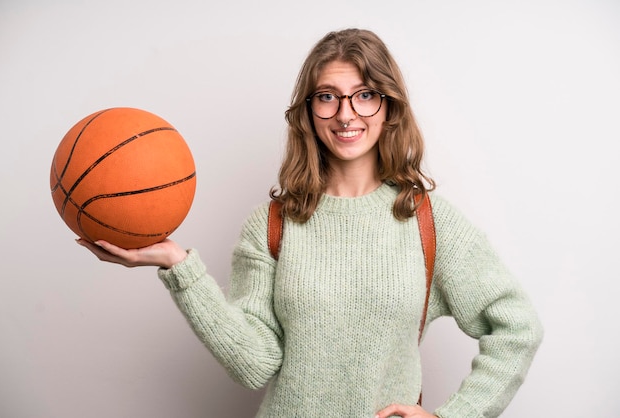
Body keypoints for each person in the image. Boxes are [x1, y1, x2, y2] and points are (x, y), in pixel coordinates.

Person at [78, 28, 543, 418]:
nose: (346, 114)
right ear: (307, 111)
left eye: (365, 96)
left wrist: (452, 417)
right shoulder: (271, 225)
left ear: (389, 107)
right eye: (327, 97)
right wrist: (178, 265)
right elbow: (254, 366)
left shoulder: (429, 222)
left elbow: (517, 327)